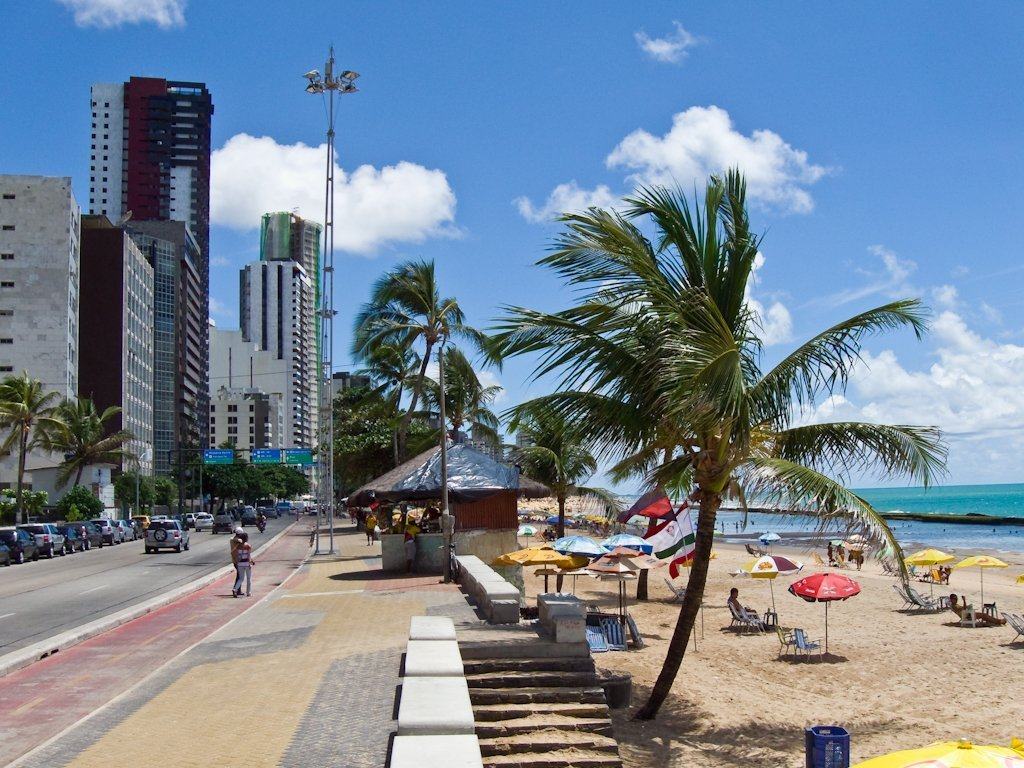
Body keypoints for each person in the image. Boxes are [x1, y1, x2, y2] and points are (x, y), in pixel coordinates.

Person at [232, 531, 254, 597]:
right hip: (246, 563)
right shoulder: (248, 546)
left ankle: (235, 589)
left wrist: (236, 559)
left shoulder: (238, 546)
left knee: (241, 579)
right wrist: (250, 562)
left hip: (240, 564)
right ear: (246, 538)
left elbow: (233, 552)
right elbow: (248, 555)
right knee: (249, 578)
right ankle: (248, 592)